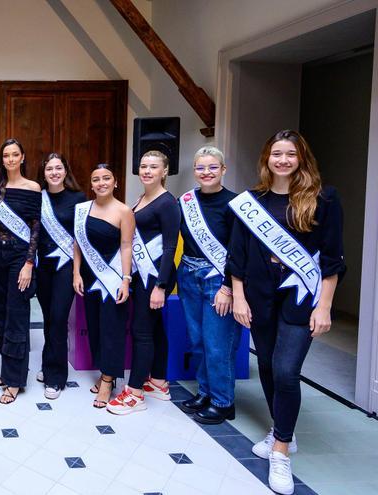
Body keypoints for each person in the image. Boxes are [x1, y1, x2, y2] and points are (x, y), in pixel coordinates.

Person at [229, 130, 344, 495]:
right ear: (267, 159)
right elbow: (238, 255)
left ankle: (280, 451)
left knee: (286, 370)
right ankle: (285, 431)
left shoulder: (324, 199)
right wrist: (239, 297)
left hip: (301, 300)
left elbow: (333, 257)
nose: (282, 160)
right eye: (276, 154)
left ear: (301, 158)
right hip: (259, 298)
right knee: (265, 365)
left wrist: (325, 305)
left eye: (290, 154)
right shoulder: (252, 201)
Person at [107, 151, 180, 415]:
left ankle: (135, 393)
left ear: (165, 171)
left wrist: (161, 286)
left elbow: (171, 245)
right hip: (142, 273)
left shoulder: (167, 203)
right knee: (155, 327)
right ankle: (158, 381)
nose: (147, 171)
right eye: (143, 166)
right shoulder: (142, 199)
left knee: (142, 331)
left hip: (156, 275)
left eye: (153, 167)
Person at [176, 146, 240, 424]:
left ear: (223, 170)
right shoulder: (186, 201)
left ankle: (223, 401)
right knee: (198, 340)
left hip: (218, 279)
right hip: (189, 273)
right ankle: (205, 392)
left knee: (218, 344)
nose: (207, 172)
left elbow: (239, 251)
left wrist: (229, 288)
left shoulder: (235, 204)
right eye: (201, 168)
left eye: (213, 167)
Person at [72, 164, 134, 409]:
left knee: (112, 329)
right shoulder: (83, 210)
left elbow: (127, 246)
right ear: (91, 184)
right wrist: (76, 272)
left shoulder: (124, 211)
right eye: (96, 179)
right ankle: (103, 372)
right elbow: (77, 242)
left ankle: (109, 379)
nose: (101, 183)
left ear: (115, 182)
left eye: (106, 178)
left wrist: (126, 280)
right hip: (88, 277)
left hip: (113, 278)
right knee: (95, 327)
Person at [0, 138, 42, 405]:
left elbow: (35, 227)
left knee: (17, 317)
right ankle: (6, 368)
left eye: (15, 154)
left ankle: (16, 380)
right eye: (6, 155)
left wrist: (29, 263)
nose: (10, 159)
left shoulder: (32, 187)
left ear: (22, 157)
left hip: (19, 256)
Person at [35, 153, 85, 400]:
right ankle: (48, 363)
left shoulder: (78, 199)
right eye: (49, 169)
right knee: (48, 319)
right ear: (43, 173)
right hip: (43, 267)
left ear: (66, 171)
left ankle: (56, 377)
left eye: (58, 168)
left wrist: (77, 272)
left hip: (66, 266)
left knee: (58, 318)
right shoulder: (38, 198)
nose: (54, 173)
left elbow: (80, 239)